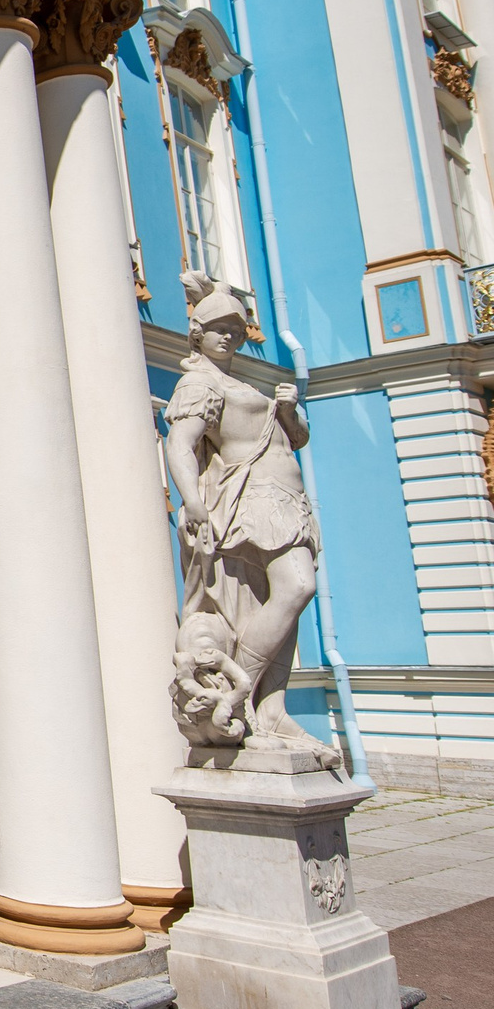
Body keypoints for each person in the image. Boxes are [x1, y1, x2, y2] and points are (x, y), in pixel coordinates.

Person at [163, 279, 333, 757]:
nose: (228, 337)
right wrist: (192, 500)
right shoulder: (200, 383)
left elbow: (293, 439)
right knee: (297, 588)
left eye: (235, 331)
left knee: (277, 604)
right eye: (218, 329)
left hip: (286, 499)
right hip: (253, 501)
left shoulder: (241, 385)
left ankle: (272, 709)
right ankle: (239, 693)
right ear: (198, 333)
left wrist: (289, 410)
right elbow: (180, 444)